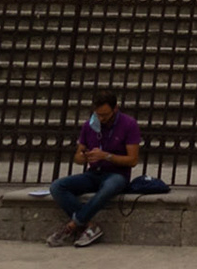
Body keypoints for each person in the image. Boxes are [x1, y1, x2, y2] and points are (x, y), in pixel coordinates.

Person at [46, 91, 141, 247]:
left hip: (117, 174)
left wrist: (106, 156)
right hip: (93, 173)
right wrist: (84, 157)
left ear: (115, 109)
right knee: (57, 186)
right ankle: (89, 225)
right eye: (98, 114)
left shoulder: (129, 125)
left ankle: (71, 226)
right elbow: (77, 156)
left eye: (105, 115)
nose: (101, 119)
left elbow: (132, 160)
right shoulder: (90, 125)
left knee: (108, 188)